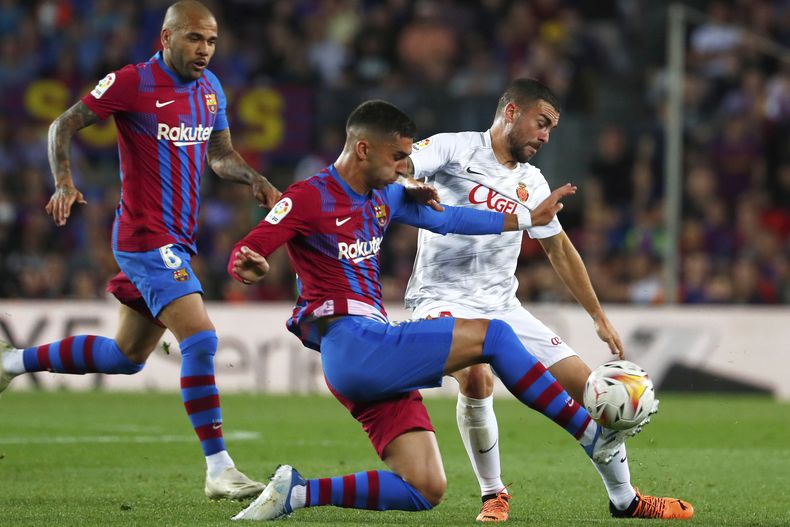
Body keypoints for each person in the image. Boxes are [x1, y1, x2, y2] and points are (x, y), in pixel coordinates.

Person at [225, 100, 671, 521]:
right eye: (398, 158)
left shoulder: (385, 197)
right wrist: (248, 261)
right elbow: (252, 245)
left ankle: (297, 492)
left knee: (424, 488)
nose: (404, 168)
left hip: (374, 356)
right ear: (363, 149)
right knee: (493, 339)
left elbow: (451, 219)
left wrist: (525, 219)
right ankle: (589, 437)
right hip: (352, 343)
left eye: (406, 159)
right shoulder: (309, 196)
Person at [0, 0, 278, 500]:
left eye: (212, 41)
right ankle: (219, 468)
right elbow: (61, 124)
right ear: (166, 38)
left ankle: (12, 362)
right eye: (195, 38)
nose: (205, 50)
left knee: (127, 356)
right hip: (146, 238)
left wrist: (253, 178)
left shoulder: (211, 90)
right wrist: (64, 182)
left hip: (179, 240)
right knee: (201, 339)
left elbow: (219, 156)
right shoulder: (133, 81)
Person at [404, 78, 694, 521]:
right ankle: (493, 493)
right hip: (439, 298)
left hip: (503, 307)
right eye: (541, 123)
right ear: (512, 112)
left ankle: (626, 500)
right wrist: (408, 182)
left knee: (594, 392)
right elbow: (402, 163)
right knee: (477, 377)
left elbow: (559, 249)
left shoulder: (532, 183)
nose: (545, 136)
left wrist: (597, 314)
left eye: (551, 129)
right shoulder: (453, 148)